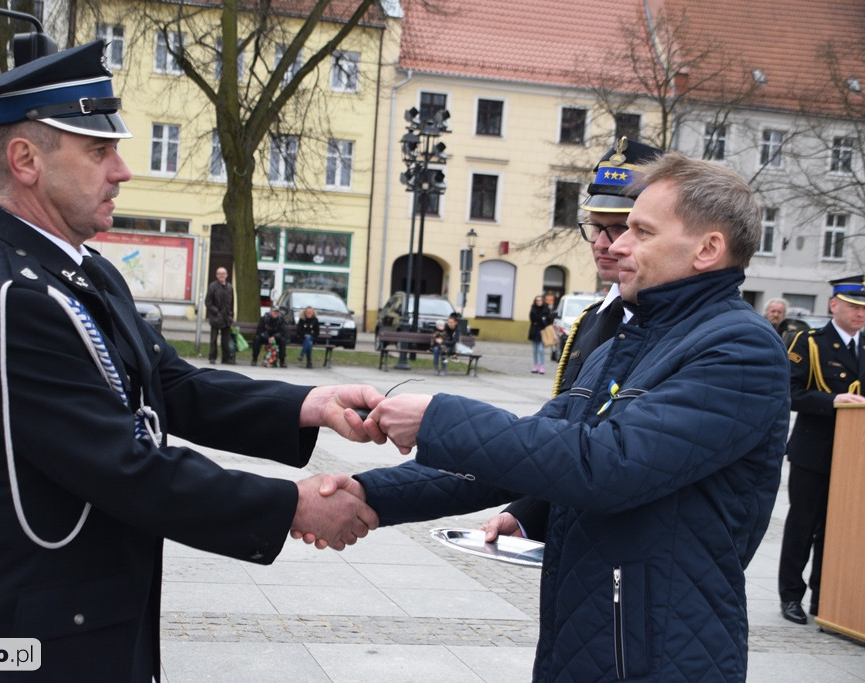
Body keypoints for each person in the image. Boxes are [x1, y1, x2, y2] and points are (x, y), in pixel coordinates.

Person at [0, 41, 382, 682]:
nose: (123, 171)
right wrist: (290, 506)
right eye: (99, 151)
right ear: (25, 161)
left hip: (83, 618)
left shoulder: (84, 272)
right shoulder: (7, 300)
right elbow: (123, 467)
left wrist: (308, 406)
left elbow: (170, 383)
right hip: (22, 635)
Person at [306, 152, 792, 680]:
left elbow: (608, 466)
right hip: (590, 631)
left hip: (661, 648)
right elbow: (529, 452)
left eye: (641, 231)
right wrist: (368, 494)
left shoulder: (739, 349)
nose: (618, 245)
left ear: (708, 248)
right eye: (619, 228)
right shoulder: (626, 343)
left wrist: (439, 418)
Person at [483, 137, 663, 542]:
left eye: (620, 227)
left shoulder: (681, 327)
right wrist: (527, 513)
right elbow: (565, 437)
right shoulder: (592, 319)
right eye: (596, 227)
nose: (603, 243)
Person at [777, 276, 865, 624]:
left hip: (853, 457)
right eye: (854, 307)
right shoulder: (810, 342)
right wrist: (833, 401)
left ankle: (825, 598)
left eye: (864, 309)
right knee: (803, 525)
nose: (860, 315)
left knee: (838, 528)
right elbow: (790, 392)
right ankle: (791, 596)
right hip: (815, 451)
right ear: (834, 305)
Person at [205, 267, 235, 364]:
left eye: (223, 273)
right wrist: (216, 312)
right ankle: (212, 357)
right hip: (216, 317)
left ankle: (226, 358)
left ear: (226, 275)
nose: (221, 275)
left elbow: (232, 303)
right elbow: (208, 302)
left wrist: (231, 315)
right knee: (214, 339)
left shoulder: (230, 287)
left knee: (225, 340)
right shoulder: (212, 286)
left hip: (226, 318)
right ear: (217, 275)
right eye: (219, 274)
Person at [527, 295, 551, 374]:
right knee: (535, 350)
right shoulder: (533, 309)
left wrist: (540, 320)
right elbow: (532, 319)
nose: (539, 302)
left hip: (542, 332)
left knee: (541, 350)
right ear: (535, 301)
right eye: (537, 300)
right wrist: (541, 319)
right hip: (534, 331)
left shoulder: (546, 309)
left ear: (542, 301)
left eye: (540, 300)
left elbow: (548, 319)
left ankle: (542, 366)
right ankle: (535, 366)